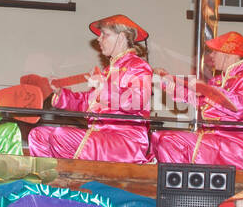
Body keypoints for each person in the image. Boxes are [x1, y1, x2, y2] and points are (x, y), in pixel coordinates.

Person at [27, 14, 153, 163]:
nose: (99, 39)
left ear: (121, 37)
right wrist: (61, 95)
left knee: (61, 134)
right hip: (100, 137)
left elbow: (136, 102)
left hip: (126, 141)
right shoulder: (108, 71)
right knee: (38, 134)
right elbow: (88, 102)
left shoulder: (138, 66)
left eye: (105, 35)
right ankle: (48, 180)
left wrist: (104, 87)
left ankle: (70, 179)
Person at [151, 31, 243, 169]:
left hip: (235, 146)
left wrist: (207, 90)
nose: (211, 56)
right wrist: (166, 82)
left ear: (230, 54)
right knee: (158, 136)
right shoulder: (219, 81)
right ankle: (181, 183)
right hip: (213, 141)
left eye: (215, 52)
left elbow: (241, 108)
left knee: (170, 140)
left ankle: (181, 186)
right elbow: (197, 98)